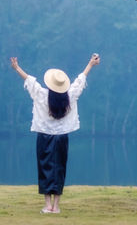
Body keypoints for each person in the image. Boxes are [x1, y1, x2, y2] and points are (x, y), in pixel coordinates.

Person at [10, 53, 100, 213]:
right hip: (62, 137)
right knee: (59, 168)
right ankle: (56, 206)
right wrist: (90, 65)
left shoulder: (42, 95)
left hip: (44, 135)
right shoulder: (69, 96)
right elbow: (80, 81)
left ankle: (48, 205)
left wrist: (17, 68)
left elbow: (29, 81)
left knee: (44, 167)